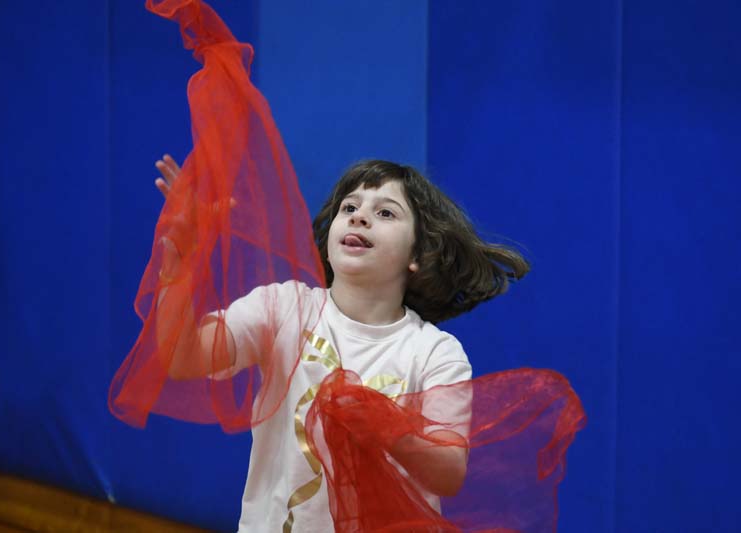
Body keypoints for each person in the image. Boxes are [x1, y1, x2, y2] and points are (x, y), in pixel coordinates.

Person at [152, 154, 530, 531]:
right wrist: (180, 262)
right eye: (349, 206)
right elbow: (182, 357)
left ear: (416, 255)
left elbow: (447, 473)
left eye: (386, 213)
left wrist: (385, 426)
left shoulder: (435, 353)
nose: (359, 216)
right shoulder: (284, 308)